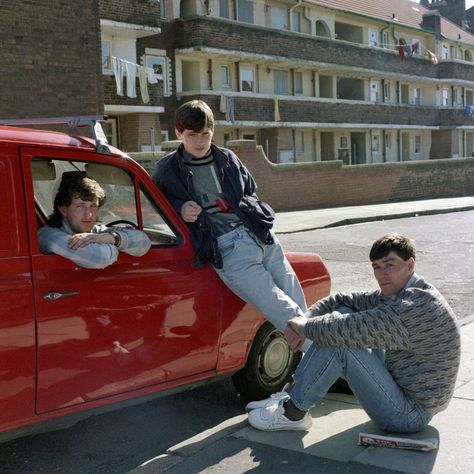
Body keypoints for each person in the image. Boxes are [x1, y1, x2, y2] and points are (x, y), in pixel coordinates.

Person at [247, 233, 461, 433]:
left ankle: (293, 413)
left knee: (340, 340)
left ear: (410, 264)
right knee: (345, 312)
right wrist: (304, 318)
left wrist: (303, 328)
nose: (382, 274)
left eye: (390, 265)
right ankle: (293, 394)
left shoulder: (413, 306)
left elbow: (345, 329)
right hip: (402, 390)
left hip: (409, 414)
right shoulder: (399, 292)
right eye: (377, 267)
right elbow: (341, 299)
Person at [152, 99, 309, 349]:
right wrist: (179, 209)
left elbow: (250, 191)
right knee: (287, 313)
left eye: (206, 133)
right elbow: (155, 209)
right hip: (229, 249)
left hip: (263, 238)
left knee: (301, 309)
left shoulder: (227, 158)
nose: (201, 141)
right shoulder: (166, 169)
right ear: (178, 133)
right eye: (193, 135)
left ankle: (326, 366)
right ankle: (338, 365)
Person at [38, 171, 151, 268]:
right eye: (80, 206)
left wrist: (110, 238)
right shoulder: (48, 235)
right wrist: (116, 246)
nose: (89, 214)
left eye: (93, 206)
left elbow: (143, 242)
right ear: (63, 210)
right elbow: (101, 257)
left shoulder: (95, 231)